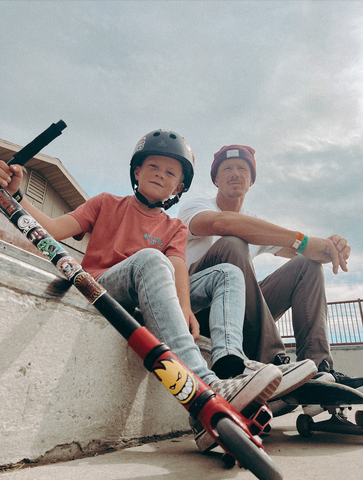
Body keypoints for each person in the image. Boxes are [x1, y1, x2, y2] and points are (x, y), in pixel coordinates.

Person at [0, 131, 316, 453]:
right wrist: (17, 196)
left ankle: (231, 365)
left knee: (227, 272)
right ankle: (205, 382)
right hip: (104, 285)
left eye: (169, 173)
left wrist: (185, 309)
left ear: (178, 187)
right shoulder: (106, 203)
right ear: (137, 171)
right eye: (152, 166)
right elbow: (52, 230)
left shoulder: (174, 227)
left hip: (154, 289)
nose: (159, 175)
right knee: (151, 259)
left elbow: (178, 267)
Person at [178, 143, 363, 389]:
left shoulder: (256, 223)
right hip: (200, 307)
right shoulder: (196, 207)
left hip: (240, 313)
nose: (235, 173)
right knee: (233, 243)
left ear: (251, 180)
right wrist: (304, 241)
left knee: (306, 266)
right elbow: (226, 224)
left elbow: (297, 249)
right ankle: (275, 359)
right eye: (227, 168)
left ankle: (318, 371)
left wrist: (329, 249)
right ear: (216, 179)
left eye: (242, 168)